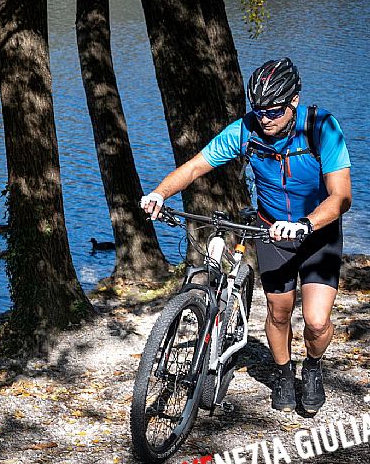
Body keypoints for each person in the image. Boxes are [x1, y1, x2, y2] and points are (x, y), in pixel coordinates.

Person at [140, 58, 352, 414]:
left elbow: (340, 197)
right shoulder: (247, 130)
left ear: (294, 100)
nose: (266, 118)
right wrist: (160, 193)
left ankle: (312, 366)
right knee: (278, 312)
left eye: (274, 110)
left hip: (318, 233)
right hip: (271, 231)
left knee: (316, 322)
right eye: (260, 111)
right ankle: (284, 373)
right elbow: (195, 166)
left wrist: (306, 223)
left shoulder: (321, 128)